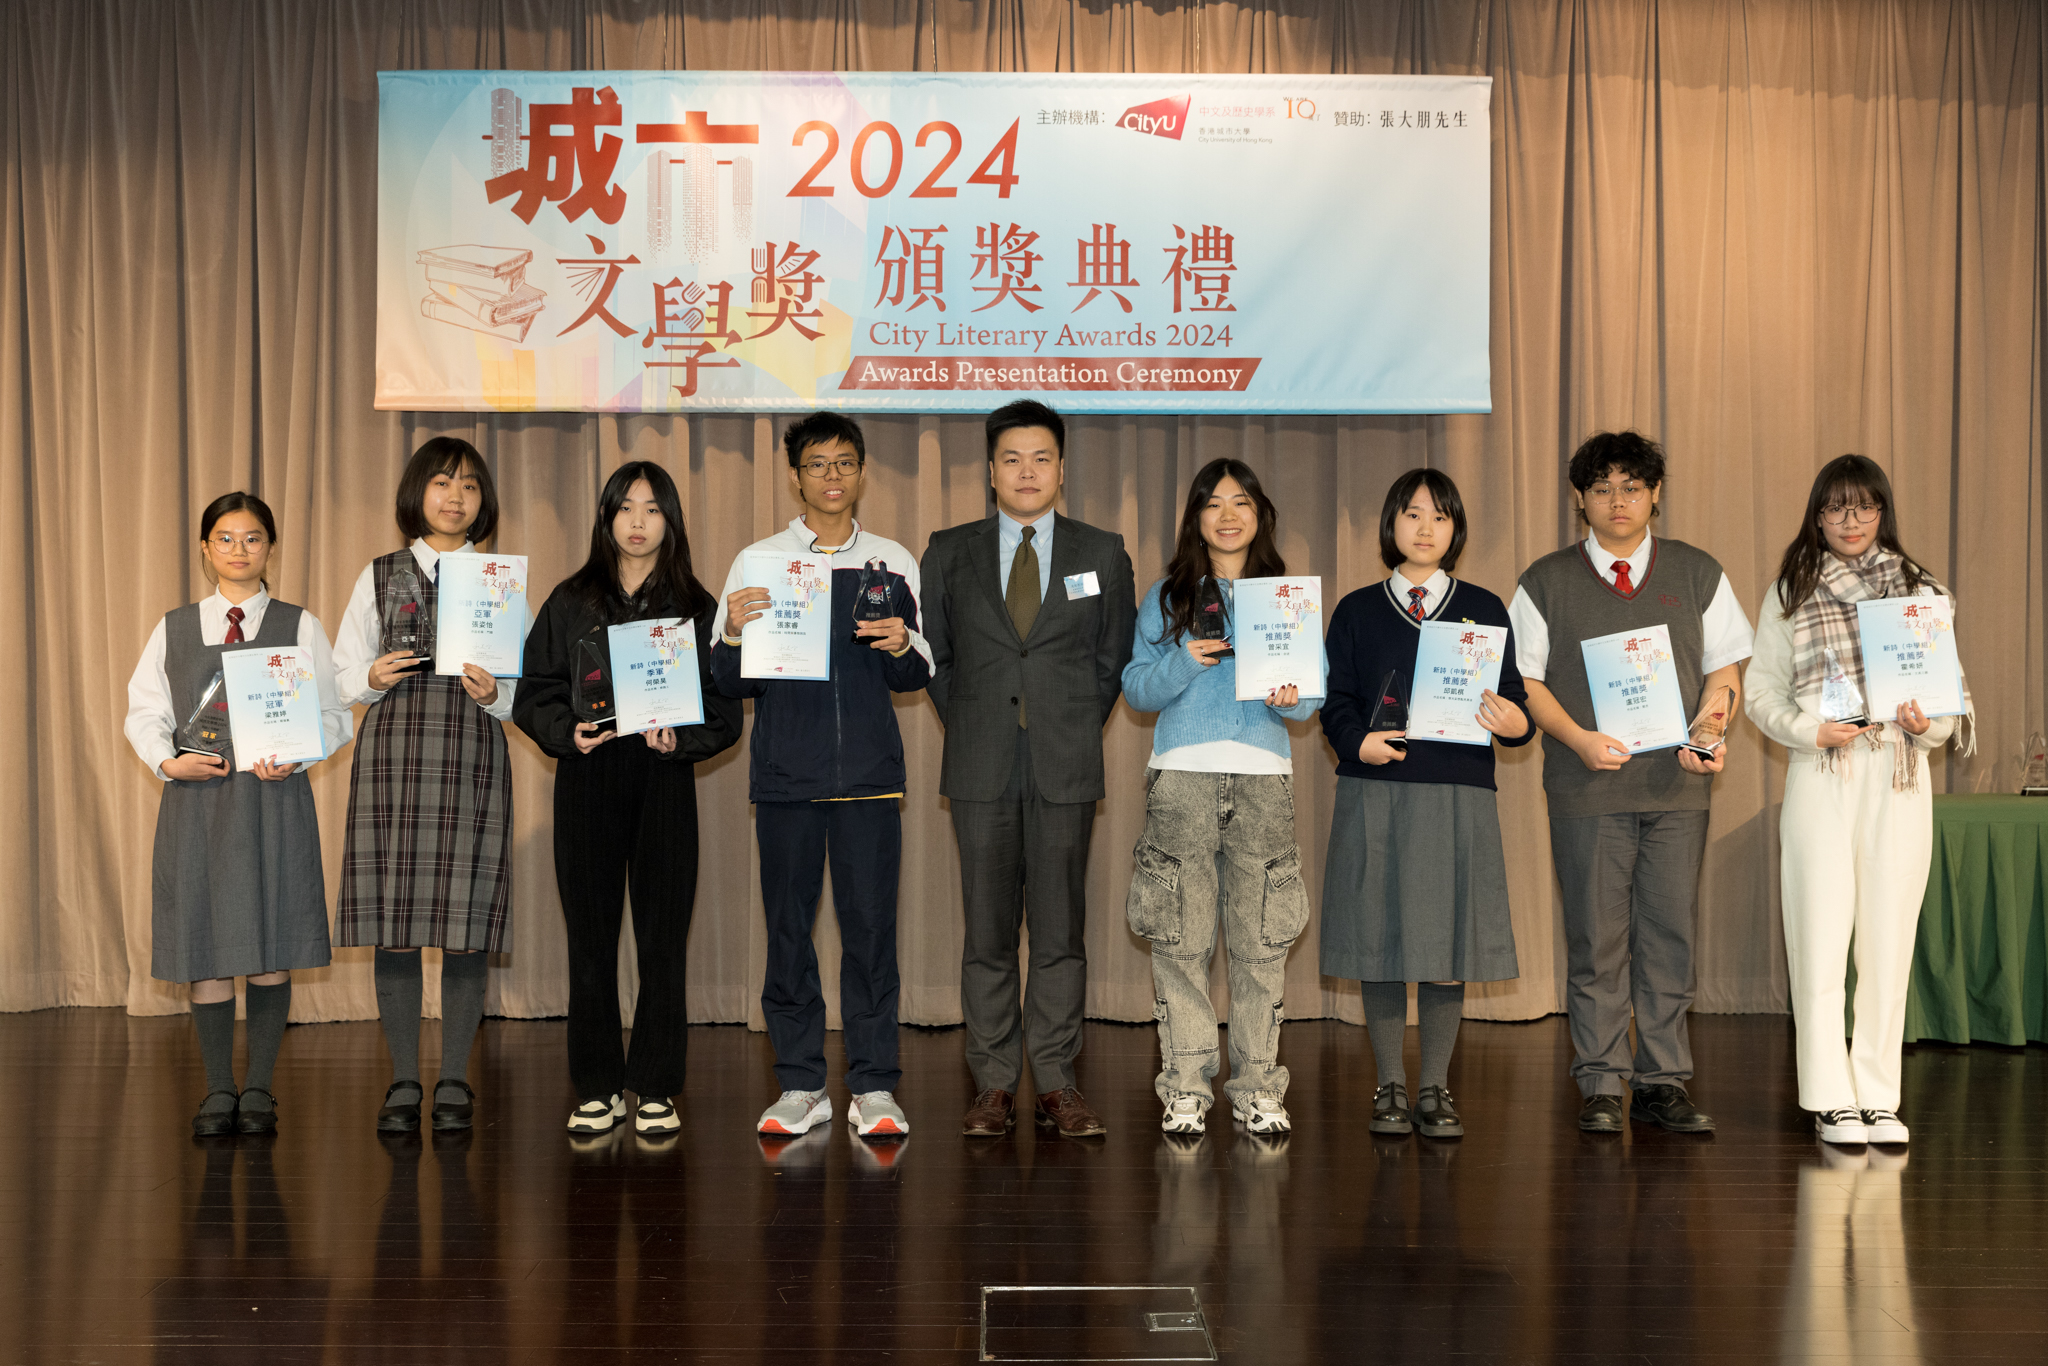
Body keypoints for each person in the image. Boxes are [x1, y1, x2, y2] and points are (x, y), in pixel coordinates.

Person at [1509, 431, 1754, 1134]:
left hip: (1677, 790)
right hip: (1587, 791)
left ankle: (1662, 1081)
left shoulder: (1698, 572)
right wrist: (1580, 740)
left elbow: (1724, 671)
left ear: (1655, 494)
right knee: (1597, 941)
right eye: (1602, 488)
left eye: (1632, 487)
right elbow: (1525, 682)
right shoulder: (1545, 581)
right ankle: (1600, 1082)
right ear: (1580, 498)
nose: (1618, 501)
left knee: (1669, 936)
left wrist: (1709, 730)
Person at [710, 412, 931, 1141]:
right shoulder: (759, 561)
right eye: (816, 464)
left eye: (844, 463)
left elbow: (916, 674)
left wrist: (899, 643)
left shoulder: (893, 561)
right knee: (788, 935)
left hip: (869, 779)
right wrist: (734, 630)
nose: (831, 476)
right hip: (787, 780)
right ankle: (801, 1084)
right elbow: (727, 681)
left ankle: (874, 1085)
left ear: (861, 472)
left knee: (871, 936)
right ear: (795, 475)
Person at [920, 399, 1137, 1138]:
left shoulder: (1102, 551)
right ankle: (992, 1083)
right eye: (1011, 459)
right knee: (986, 933)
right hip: (979, 761)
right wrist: (975, 721)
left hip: (1064, 764)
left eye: (1041, 458)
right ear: (990, 471)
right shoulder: (948, 550)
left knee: (1059, 931)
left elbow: (1110, 660)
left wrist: (1065, 722)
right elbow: (936, 657)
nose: (1026, 472)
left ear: (1062, 469)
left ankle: (1055, 1079)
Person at [1745, 455, 1971, 1147]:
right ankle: (1829, 1098)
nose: (1851, 521)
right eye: (1837, 507)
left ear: (1882, 512)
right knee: (1819, 937)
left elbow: (1947, 708)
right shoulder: (1791, 590)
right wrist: (1810, 730)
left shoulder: (1921, 592)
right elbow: (1761, 693)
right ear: (1817, 516)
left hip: (1898, 777)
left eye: (1864, 506)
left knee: (1888, 941)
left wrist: (1925, 724)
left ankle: (1877, 1096)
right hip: (1824, 771)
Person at [515, 461, 741, 1135]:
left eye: (652, 509)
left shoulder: (697, 607)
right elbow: (534, 692)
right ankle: (597, 1086)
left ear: (671, 521)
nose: (638, 522)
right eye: (625, 507)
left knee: (662, 941)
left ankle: (656, 1086)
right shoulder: (569, 600)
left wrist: (682, 740)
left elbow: (725, 711)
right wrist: (568, 731)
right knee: (590, 940)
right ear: (606, 517)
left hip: (663, 784)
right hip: (587, 780)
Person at [124, 492, 352, 1135]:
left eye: (252, 538)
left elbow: (334, 715)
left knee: (270, 945)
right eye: (225, 538)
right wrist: (168, 762)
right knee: (208, 947)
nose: (239, 550)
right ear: (205, 548)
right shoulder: (173, 627)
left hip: (272, 801)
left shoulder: (299, 625)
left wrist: (300, 757)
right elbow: (144, 712)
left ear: (270, 547)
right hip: (198, 804)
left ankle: (259, 1089)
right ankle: (219, 1088)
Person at [1320, 469, 1533, 1139]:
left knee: (1448, 940)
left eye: (1440, 516)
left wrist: (1515, 723)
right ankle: (1389, 1083)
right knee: (1379, 936)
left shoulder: (1485, 608)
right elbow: (1336, 701)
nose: (1425, 528)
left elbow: (1515, 703)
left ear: (1456, 530)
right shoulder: (1357, 609)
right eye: (1412, 514)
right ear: (1391, 523)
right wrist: (1358, 743)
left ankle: (1435, 1086)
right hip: (1376, 790)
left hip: (1457, 790)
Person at [1121, 458, 1319, 1136]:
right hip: (1181, 776)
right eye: (1213, 503)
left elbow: (1310, 699)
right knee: (1181, 940)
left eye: (1241, 502)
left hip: (1263, 778)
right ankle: (1185, 1085)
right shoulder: (1168, 595)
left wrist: (1290, 696)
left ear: (1260, 515)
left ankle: (1259, 1086)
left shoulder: (1284, 597)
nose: (1228, 515)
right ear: (1195, 518)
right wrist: (1185, 659)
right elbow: (1137, 689)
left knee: (1261, 941)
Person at [332, 437, 513, 1134]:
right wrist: (369, 676)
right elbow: (343, 674)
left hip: (472, 751)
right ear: (417, 492)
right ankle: (405, 1079)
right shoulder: (379, 574)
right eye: (442, 482)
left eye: (469, 486)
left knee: (466, 926)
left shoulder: (498, 578)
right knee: (396, 924)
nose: (455, 497)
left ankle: (456, 1078)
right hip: (394, 754)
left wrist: (497, 693)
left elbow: (524, 687)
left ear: (482, 501)